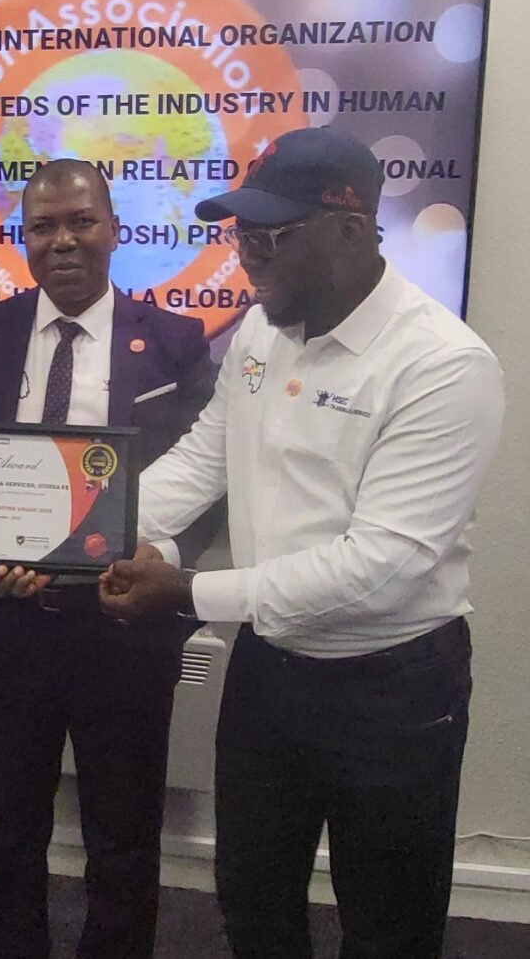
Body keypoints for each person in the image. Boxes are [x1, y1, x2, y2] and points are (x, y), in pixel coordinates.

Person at [99, 126, 505, 959]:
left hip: (391, 687)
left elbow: (383, 564)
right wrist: (94, 533)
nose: (246, 255)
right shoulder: (262, 331)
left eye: (269, 236)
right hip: (270, 667)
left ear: (350, 230)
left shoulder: (443, 364)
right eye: (239, 234)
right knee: (252, 899)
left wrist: (189, 593)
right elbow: (206, 458)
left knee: (388, 922)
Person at [0, 159, 216, 959]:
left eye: (81, 222)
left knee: (124, 831)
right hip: (9, 626)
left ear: (114, 229)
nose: (64, 241)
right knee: (8, 828)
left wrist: (158, 555)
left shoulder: (176, 340)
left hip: (124, 626)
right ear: (24, 238)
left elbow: (210, 479)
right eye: (43, 226)